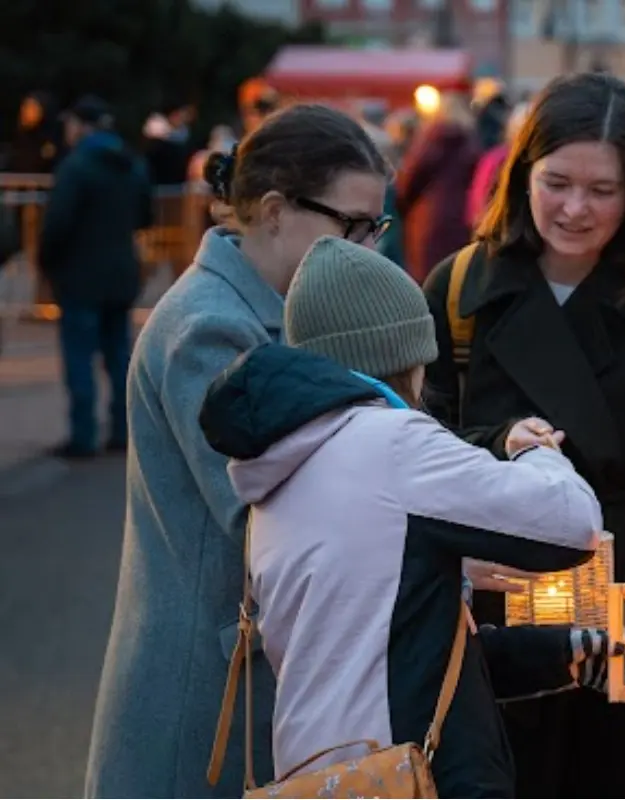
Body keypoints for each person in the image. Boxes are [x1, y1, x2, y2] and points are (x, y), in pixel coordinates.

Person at [423, 72, 625, 798]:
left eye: (602, 190)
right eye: (556, 182)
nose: (574, 209)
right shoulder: (456, 290)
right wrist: (500, 440)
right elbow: (412, 449)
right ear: (521, 174)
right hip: (490, 632)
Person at [198, 236, 611, 796]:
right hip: (403, 775)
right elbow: (572, 524)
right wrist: (534, 448)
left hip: (321, 775)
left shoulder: (282, 467)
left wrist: (555, 654)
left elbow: (379, 650)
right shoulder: (388, 442)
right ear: (404, 358)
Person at [84, 103, 392, 798]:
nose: (367, 249)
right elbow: (268, 513)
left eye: (376, 227)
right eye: (351, 227)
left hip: (241, 668)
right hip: (203, 685)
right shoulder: (209, 329)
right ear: (276, 209)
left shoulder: (271, 307)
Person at [38, 95, 153, 458]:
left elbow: (57, 224)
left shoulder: (77, 167)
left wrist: (47, 263)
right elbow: (145, 216)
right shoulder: (132, 165)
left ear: (83, 126)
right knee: (118, 354)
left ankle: (83, 435)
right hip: (121, 272)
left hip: (80, 274)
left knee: (79, 356)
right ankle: (121, 430)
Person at [397, 92, 480, 283]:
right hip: (461, 216)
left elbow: (410, 178)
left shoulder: (431, 138)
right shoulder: (471, 141)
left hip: (428, 218)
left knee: (426, 281)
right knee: (454, 279)